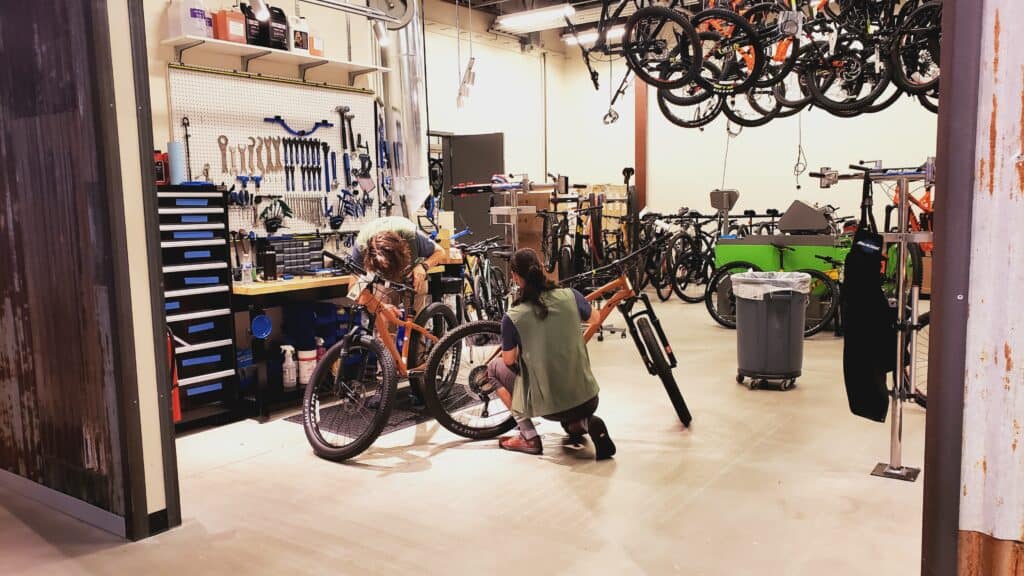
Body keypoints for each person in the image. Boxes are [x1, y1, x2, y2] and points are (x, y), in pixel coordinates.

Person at [486, 248, 616, 460]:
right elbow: (595, 318)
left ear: (515, 277)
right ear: (542, 269)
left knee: (493, 368)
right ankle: (585, 423)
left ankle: (529, 436)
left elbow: (508, 360)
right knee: (571, 416)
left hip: (550, 408)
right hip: (589, 398)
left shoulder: (513, 316)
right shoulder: (570, 295)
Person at [349, 215, 447, 297]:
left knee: (417, 315)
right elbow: (353, 289)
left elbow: (440, 252)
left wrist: (423, 266)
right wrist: (376, 306)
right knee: (382, 311)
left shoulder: (411, 236)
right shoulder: (361, 247)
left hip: (413, 276)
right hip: (384, 282)